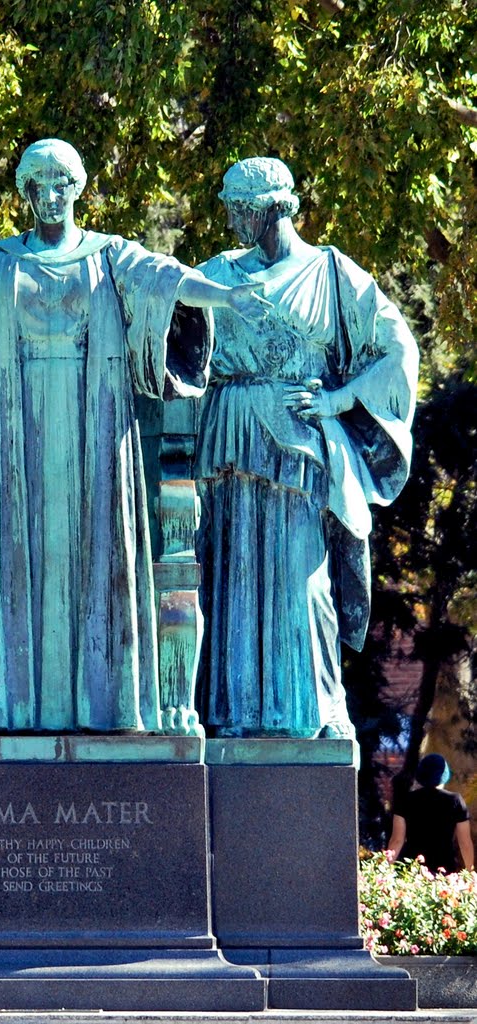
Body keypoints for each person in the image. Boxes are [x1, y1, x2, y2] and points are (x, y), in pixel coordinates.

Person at [0, 137, 268, 733]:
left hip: (96, 439)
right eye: (37, 184)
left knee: (99, 559)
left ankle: (106, 705)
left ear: (78, 188)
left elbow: (168, 281)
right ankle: (11, 705)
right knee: (20, 562)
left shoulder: (110, 256)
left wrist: (225, 296)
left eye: (60, 183)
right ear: (24, 193)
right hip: (17, 438)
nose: (49, 195)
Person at [192, 157, 419, 739]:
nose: (230, 218)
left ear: (270, 207)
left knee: (303, 580)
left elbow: (399, 349)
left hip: (300, 446)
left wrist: (342, 400)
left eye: (238, 207)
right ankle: (232, 715)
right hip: (229, 441)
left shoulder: (331, 273)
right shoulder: (217, 272)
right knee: (232, 578)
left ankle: (318, 708)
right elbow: (171, 331)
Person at [388, 754, 474, 872]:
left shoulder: (406, 800)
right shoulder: (455, 801)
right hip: (445, 870)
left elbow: (397, 840)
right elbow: (464, 842)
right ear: (444, 776)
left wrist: (386, 870)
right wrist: (470, 872)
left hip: (413, 869)